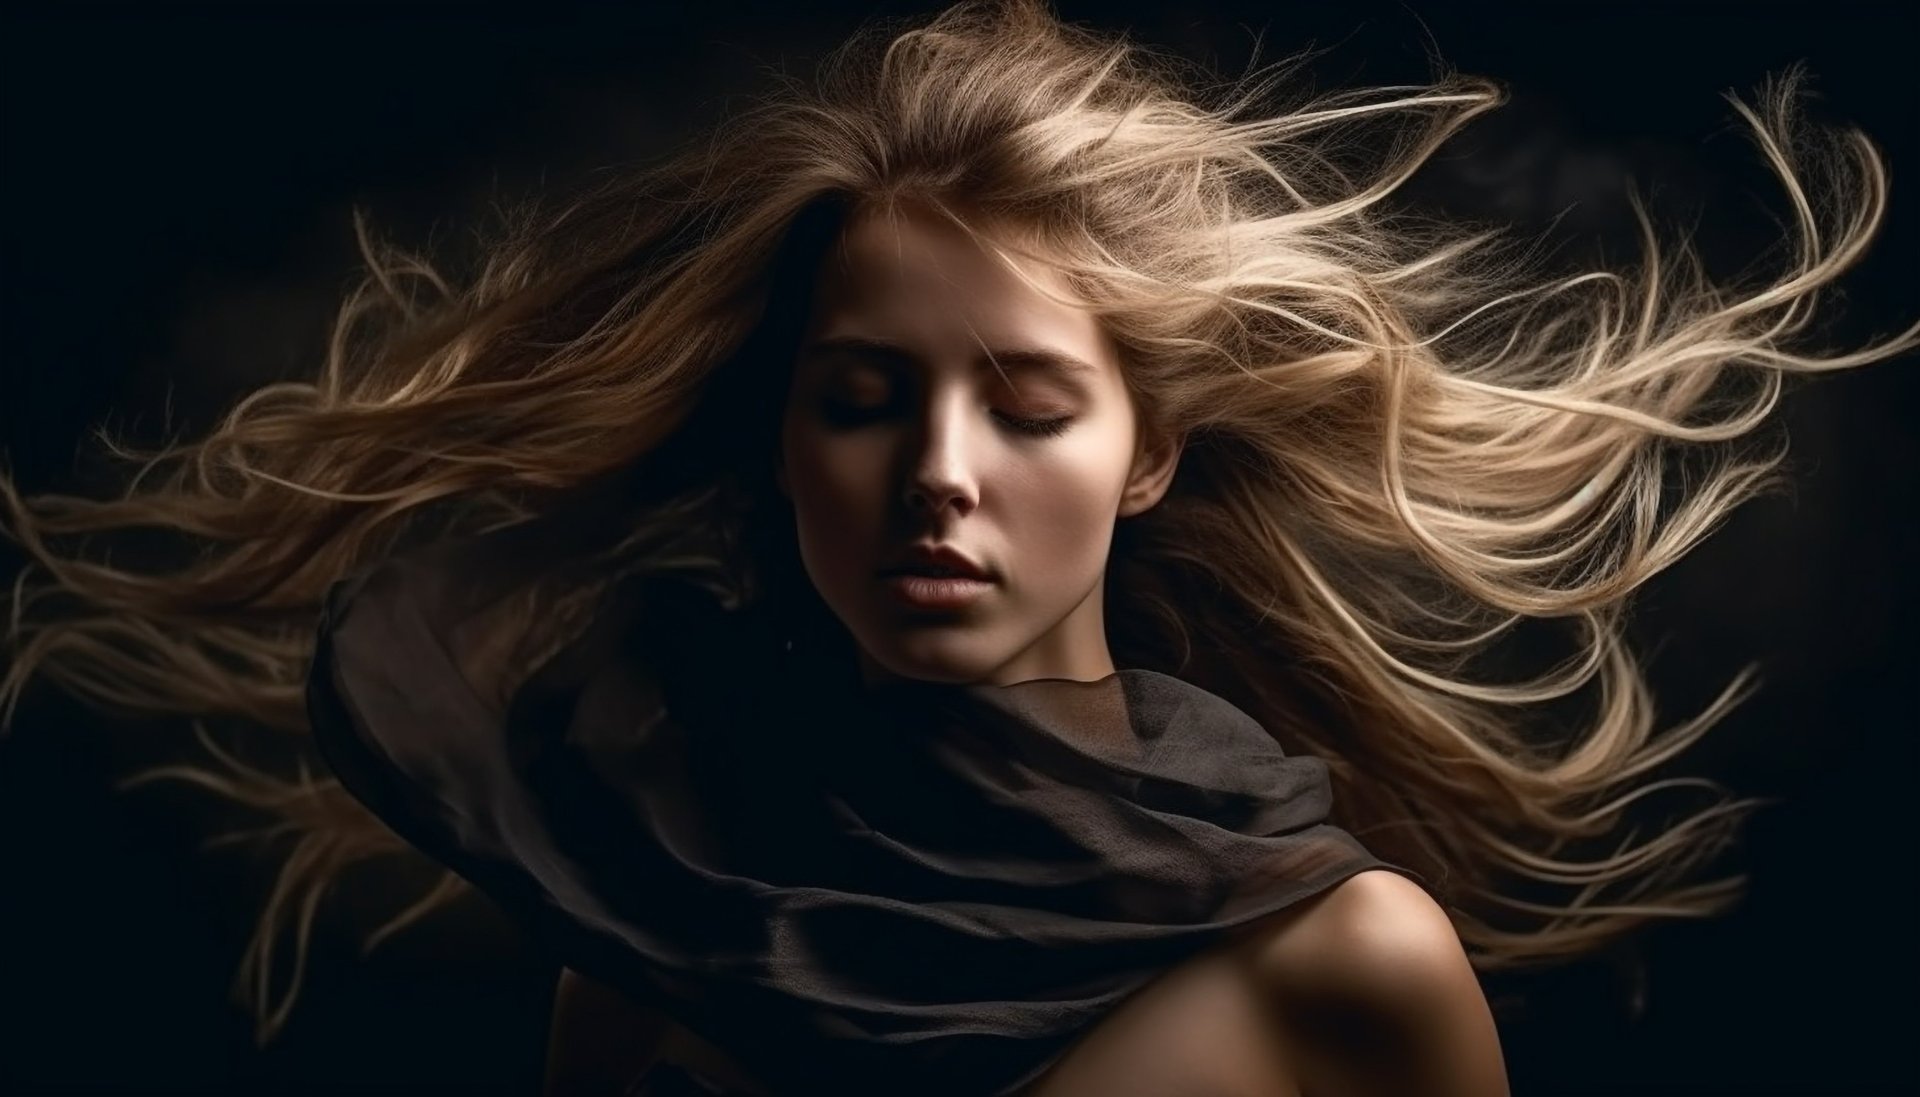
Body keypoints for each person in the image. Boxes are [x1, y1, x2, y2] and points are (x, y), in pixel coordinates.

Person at [1, 0, 1911, 1093]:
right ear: (784, 447)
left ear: (1151, 450)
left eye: (1027, 398)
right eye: (860, 397)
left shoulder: (1348, 969)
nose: (937, 469)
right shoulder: (662, 947)